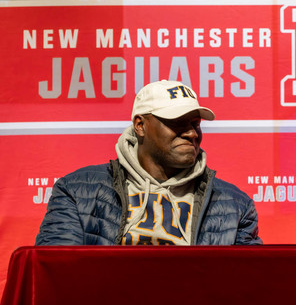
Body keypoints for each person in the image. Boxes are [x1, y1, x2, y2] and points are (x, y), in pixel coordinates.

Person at [35, 80, 261, 245]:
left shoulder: (236, 205)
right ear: (140, 125)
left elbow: (247, 287)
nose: (192, 133)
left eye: (195, 123)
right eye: (178, 123)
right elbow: (57, 277)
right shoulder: (76, 191)